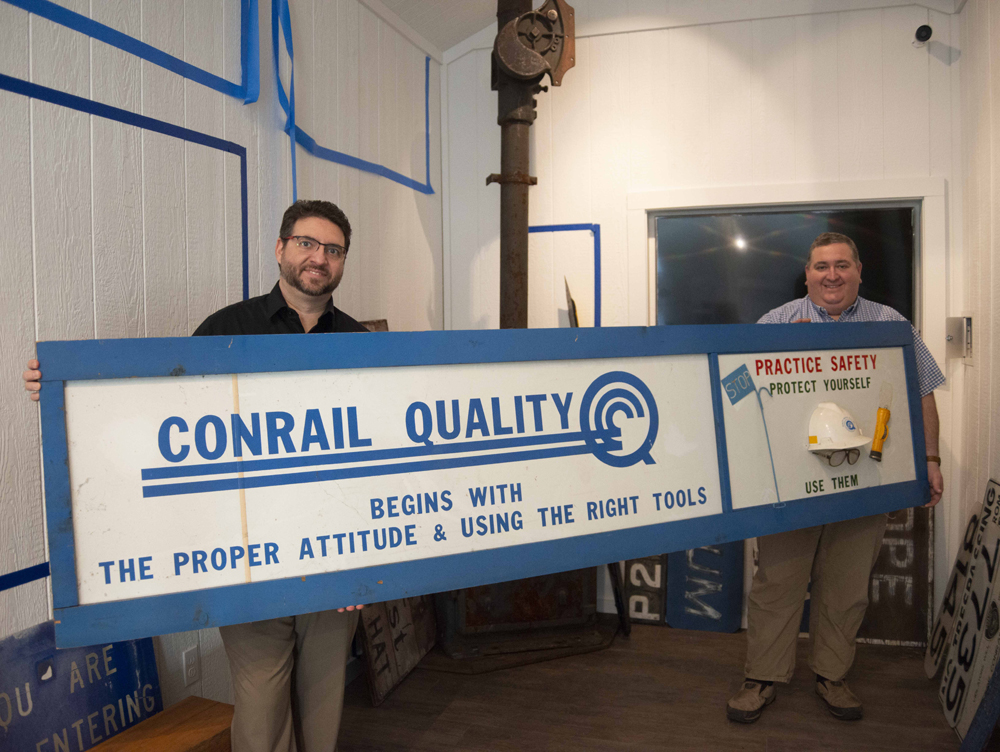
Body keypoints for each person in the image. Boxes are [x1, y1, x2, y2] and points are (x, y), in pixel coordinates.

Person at [24, 199, 368, 752]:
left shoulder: (363, 343)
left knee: (324, 700)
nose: (318, 257)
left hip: (336, 553)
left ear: (343, 262)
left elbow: (382, 458)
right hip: (247, 553)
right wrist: (65, 389)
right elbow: (161, 411)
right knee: (260, 704)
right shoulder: (224, 329)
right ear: (281, 249)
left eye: (333, 249)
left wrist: (369, 566)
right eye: (307, 243)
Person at [726, 231, 945, 724]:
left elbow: (924, 391)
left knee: (846, 588)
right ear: (807, 274)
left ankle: (832, 673)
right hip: (790, 486)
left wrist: (930, 458)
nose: (832, 275)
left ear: (859, 271)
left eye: (842, 265)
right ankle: (762, 676)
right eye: (822, 266)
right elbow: (738, 387)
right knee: (777, 582)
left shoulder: (891, 324)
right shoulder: (777, 322)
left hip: (864, 482)